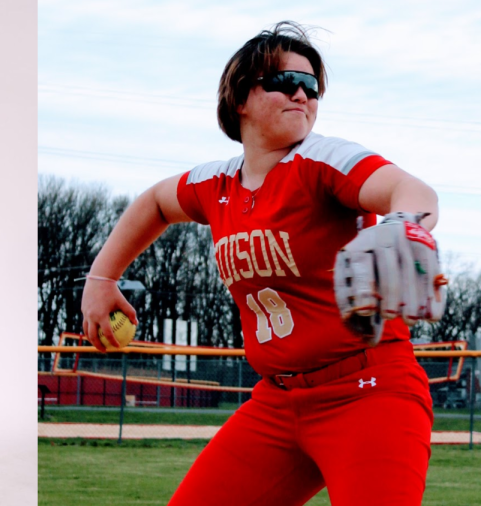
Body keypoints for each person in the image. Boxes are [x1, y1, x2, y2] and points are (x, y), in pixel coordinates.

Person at [81, 22, 444, 506]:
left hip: (369, 391)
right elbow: (154, 202)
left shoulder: (323, 159)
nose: (301, 93)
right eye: (282, 81)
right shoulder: (219, 183)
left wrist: (407, 224)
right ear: (240, 99)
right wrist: (101, 278)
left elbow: (411, 189)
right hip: (278, 400)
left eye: (311, 86)